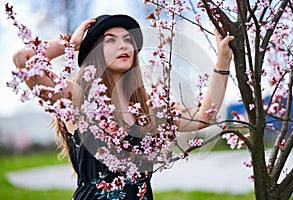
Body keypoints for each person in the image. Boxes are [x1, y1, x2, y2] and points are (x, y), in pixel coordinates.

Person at [13, 14, 234, 200]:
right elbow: (24, 59)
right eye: (110, 40)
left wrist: (223, 60)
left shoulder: (148, 111)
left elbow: (205, 116)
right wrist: (71, 44)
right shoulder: (78, 98)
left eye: (128, 39)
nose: (123, 45)